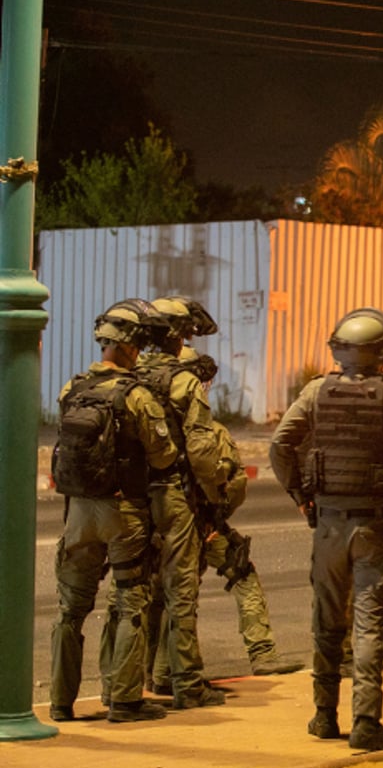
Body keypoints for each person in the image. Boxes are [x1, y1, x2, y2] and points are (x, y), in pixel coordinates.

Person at [270, 307, 383, 751]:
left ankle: (324, 716)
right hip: (373, 525)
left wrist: (299, 494)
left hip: (327, 525)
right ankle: (365, 723)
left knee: (326, 623)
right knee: (367, 626)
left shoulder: (315, 390)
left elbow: (281, 442)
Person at [140, 346, 303, 687]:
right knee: (239, 576)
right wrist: (215, 516)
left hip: (151, 530)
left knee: (158, 597)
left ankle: (151, 674)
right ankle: (261, 654)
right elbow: (234, 482)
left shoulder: (142, 424)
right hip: (199, 527)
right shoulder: (209, 431)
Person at [49, 299, 178, 723]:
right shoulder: (136, 395)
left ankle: (60, 703)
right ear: (131, 346)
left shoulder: (73, 389)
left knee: (70, 611)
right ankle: (123, 701)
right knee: (130, 601)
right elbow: (163, 456)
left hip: (78, 514)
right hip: (123, 513)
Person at [112, 295, 228, 709]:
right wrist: (214, 495)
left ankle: (123, 684)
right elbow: (199, 448)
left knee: (130, 591)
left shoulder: (130, 374)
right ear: (178, 337)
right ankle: (187, 684)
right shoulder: (184, 381)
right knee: (181, 589)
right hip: (172, 493)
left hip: (132, 496)